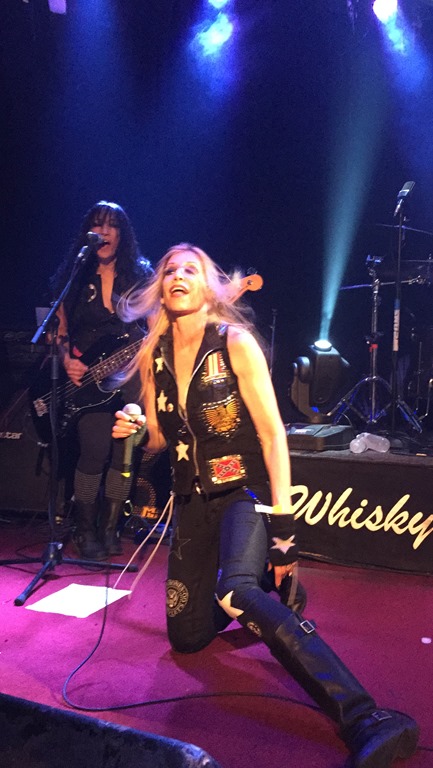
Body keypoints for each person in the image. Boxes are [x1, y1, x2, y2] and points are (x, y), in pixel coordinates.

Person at [112, 243, 419, 768]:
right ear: (159, 288)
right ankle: (263, 591)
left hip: (244, 490)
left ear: (209, 286)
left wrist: (284, 530)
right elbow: (162, 437)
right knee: (187, 637)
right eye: (169, 270)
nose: (178, 276)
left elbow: (274, 435)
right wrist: (135, 427)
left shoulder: (234, 342)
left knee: (235, 591)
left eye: (191, 269)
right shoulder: (155, 354)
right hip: (191, 500)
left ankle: (365, 715)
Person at [50, 200, 153, 560]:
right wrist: (67, 360)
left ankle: (110, 528)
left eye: (111, 225)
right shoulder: (74, 276)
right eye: (97, 224)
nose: (104, 232)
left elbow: (154, 328)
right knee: (94, 449)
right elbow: (59, 329)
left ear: (122, 234)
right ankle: (84, 526)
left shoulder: (140, 276)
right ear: (88, 232)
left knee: (124, 455)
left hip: (132, 375)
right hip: (89, 378)